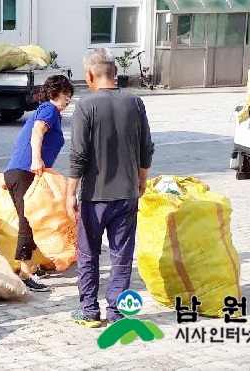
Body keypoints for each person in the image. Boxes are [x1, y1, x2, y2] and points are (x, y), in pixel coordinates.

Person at [66, 48, 154, 328]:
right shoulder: (135, 102)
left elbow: (78, 154)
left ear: (89, 76)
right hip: (127, 195)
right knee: (122, 256)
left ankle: (89, 311)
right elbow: (146, 148)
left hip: (94, 197)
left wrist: (70, 192)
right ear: (115, 73)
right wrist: (141, 179)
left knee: (88, 253)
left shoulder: (85, 106)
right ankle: (117, 313)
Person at [4, 74, 74, 292]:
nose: (68, 99)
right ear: (54, 93)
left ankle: (31, 264)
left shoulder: (51, 112)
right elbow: (36, 132)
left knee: (36, 219)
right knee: (29, 221)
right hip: (25, 171)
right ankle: (25, 274)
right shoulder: (48, 109)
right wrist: (35, 159)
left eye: (70, 95)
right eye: (65, 94)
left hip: (22, 172)